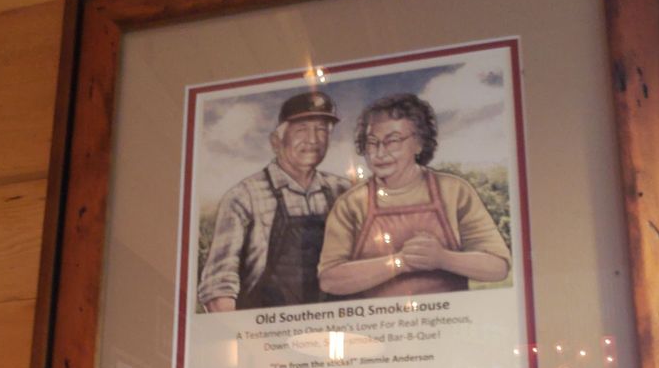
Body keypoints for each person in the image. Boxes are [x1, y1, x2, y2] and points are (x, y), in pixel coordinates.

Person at [318, 93, 511, 299]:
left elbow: (498, 267)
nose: (379, 153)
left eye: (393, 141)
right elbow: (329, 280)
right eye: (372, 142)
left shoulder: (454, 191)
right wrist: (400, 262)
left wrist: (443, 259)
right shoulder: (350, 204)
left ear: (419, 143)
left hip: (450, 317)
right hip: (375, 319)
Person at [199, 91, 349, 311]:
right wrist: (239, 331)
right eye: (301, 130)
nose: (313, 140)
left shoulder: (343, 191)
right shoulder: (244, 196)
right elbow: (218, 287)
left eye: (321, 130)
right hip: (265, 327)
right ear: (276, 141)